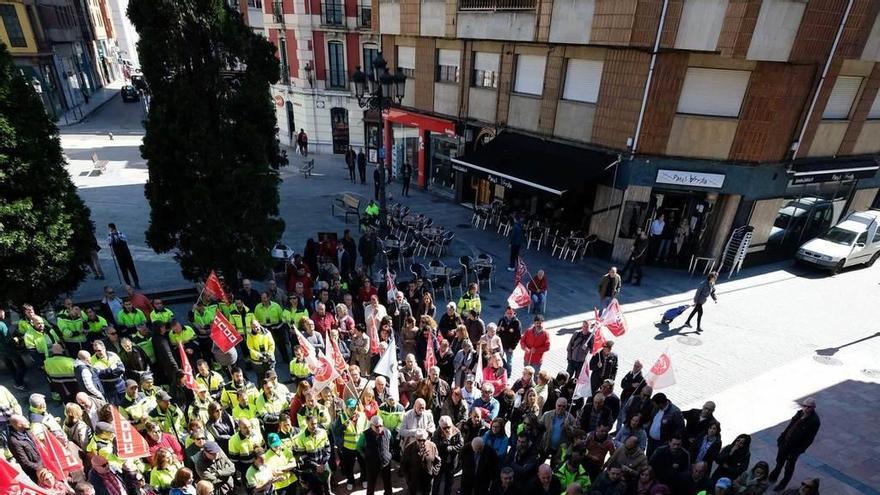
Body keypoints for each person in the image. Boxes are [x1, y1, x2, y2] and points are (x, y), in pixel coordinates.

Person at [769, 398, 821, 492]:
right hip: (785, 443)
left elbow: (809, 439)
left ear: (813, 408)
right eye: (804, 406)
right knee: (779, 461)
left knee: (789, 467)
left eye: (808, 407)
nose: (805, 408)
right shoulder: (799, 413)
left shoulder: (814, 421)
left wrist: (798, 451)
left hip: (794, 449)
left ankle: (783, 484)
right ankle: (774, 476)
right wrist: (782, 437)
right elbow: (790, 426)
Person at [360, 415, 393, 495]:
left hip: (385, 462)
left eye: (381, 426)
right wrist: (365, 456)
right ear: (371, 425)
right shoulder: (364, 435)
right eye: (376, 426)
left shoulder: (387, 432)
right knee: (371, 484)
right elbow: (359, 447)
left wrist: (388, 454)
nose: (379, 428)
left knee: (387, 483)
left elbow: (391, 443)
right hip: (372, 464)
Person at [400, 428, 441, 495]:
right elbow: (403, 464)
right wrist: (408, 478)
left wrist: (434, 472)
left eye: (423, 440)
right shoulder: (409, 448)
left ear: (427, 438)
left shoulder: (432, 446)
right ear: (416, 439)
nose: (421, 442)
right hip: (414, 480)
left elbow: (438, 461)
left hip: (427, 478)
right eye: (419, 440)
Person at [108, 223, 140, 289]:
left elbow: (124, 239)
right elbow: (110, 243)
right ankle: (128, 284)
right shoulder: (110, 236)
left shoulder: (120, 234)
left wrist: (117, 235)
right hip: (119, 256)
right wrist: (112, 252)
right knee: (124, 271)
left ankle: (136, 283)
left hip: (126, 255)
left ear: (112, 228)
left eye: (110, 228)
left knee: (132, 269)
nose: (110, 230)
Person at [497, 307, 521, 377]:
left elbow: (518, 336)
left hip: (510, 346)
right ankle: (500, 372)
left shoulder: (516, 322)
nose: (509, 314)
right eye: (508, 313)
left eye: (511, 313)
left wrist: (513, 347)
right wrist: (498, 329)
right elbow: (498, 332)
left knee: (509, 361)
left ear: (514, 313)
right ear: (505, 313)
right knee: (499, 359)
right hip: (501, 345)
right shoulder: (502, 320)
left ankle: (508, 374)